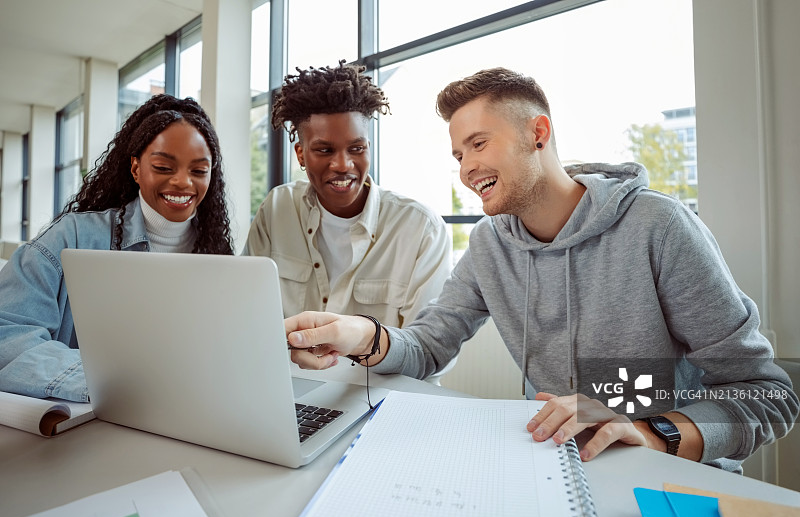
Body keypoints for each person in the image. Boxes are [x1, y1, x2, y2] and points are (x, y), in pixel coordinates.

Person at [284, 67, 798, 472]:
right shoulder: (490, 244)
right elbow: (427, 347)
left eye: (479, 144)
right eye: (458, 154)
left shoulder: (656, 226)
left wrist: (647, 432)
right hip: (557, 464)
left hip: (665, 471)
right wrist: (362, 335)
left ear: (539, 132)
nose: (465, 169)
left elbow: (767, 395)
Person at [0, 94, 234, 402]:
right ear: (136, 169)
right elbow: (9, 337)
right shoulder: (73, 237)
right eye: (164, 167)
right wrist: (117, 385)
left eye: (199, 171)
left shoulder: (221, 258)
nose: (183, 182)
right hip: (90, 418)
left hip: (187, 410)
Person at [243, 60, 451, 331]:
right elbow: (247, 310)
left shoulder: (421, 229)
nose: (342, 165)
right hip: (286, 372)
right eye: (325, 150)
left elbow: (427, 347)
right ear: (301, 154)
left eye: (356, 148)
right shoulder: (277, 208)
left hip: (374, 375)